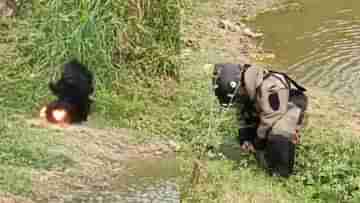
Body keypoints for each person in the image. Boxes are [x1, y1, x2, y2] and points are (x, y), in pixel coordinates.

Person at [212, 63, 308, 177]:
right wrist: (245, 139)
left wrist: (257, 144)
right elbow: (243, 116)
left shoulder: (271, 86)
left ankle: (280, 174)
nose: (238, 98)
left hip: (289, 105)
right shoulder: (245, 87)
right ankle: (262, 149)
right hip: (268, 109)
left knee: (279, 132)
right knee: (252, 132)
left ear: (240, 86)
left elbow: (271, 118)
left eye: (238, 95)